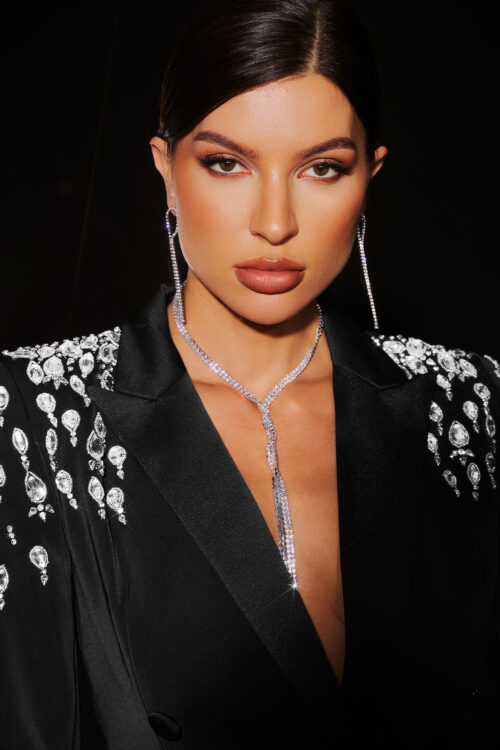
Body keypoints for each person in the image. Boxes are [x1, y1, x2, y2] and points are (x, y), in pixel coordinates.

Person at [0, 0, 499, 747]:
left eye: (322, 168)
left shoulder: (470, 405)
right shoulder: (37, 414)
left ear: (370, 175)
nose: (274, 222)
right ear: (167, 170)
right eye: (227, 163)